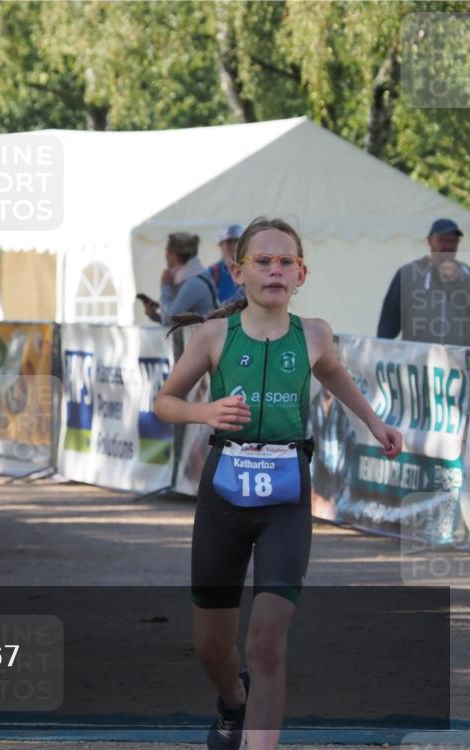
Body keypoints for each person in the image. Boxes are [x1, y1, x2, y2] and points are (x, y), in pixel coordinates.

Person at [153, 217, 402, 750]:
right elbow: (164, 402)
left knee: (267, 642)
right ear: (238, 272)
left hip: (286, 498)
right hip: (223, 496)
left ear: (301, 274)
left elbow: (333, 373)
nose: (275, 270)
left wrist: (374, 422)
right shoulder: (214, 335)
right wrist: (206, 412)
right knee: (211, 648)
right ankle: (232, 702)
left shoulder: (313, 333)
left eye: (286, 261)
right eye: (263, 261)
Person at [376, 218, 469, 345]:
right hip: (418, 356)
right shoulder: (407, 273)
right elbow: (388, 323)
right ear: (429, 240)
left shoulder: (467, 274)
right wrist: (381, 348)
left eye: (452, 241)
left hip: (458, 357)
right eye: (442, 240)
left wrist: (461, 281)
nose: (448, 246)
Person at [140, 232, 218, 325]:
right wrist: (155, 316)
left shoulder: (193, 284)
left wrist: (165, 286)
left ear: (173, 254)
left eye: (166, 251)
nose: (165, 255)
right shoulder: (196, 275)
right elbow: (176, 320)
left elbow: (170, 318)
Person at [207, 224, 244, 306]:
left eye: (237, 241)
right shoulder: (213, 271)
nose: (234, 246)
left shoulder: (251, 269)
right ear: (221, 246)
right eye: (229, 242)